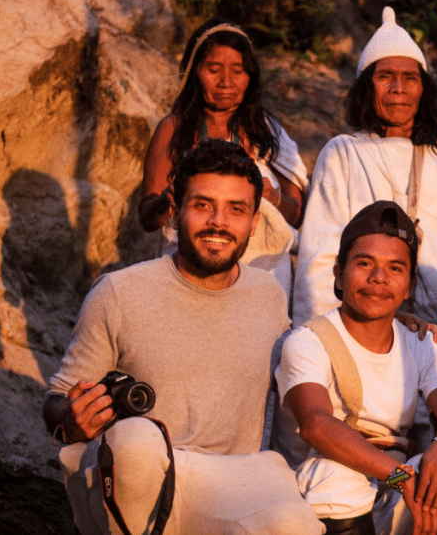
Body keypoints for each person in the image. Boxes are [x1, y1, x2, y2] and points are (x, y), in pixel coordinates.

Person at [43, 140, 323, 535]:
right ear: (176, 211)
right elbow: (57, 399)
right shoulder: (118, 292)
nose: (219, 222)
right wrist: (71, 420)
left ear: (255, 222)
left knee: (297, 527)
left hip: (227, 480)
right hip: (133, 477)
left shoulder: (269, 296)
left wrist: (404, 319)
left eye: (236, 210)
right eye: (203, 205)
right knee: (136, 440)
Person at [276, 201, 437, 535]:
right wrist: (399, 474)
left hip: (393, 484)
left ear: (408, 286)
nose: (378, 278)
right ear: (339, 273)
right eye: (365, 263)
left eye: (395, 268)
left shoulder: (419, 341)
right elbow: (316, 426)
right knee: (337, 479)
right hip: (317, 495)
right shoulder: (309, 341)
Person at [293, 6, 437, 327]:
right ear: (366, 89)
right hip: (367, 322)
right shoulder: (343, 153)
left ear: (423, 89)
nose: (398, 88)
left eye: (410, 77)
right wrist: (320, 337)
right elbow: (320, 256)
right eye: (385, 76)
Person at [140, 18, 307, 296]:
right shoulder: (174, 129)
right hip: (191, 272)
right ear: (195, 73)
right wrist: (166, 200)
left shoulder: (268, 132)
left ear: (250, 77)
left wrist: (272, 199)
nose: (226, 82)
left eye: (238, 70)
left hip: (264, 277)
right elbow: (147, 218)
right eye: (213, 69)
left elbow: (298, 213)